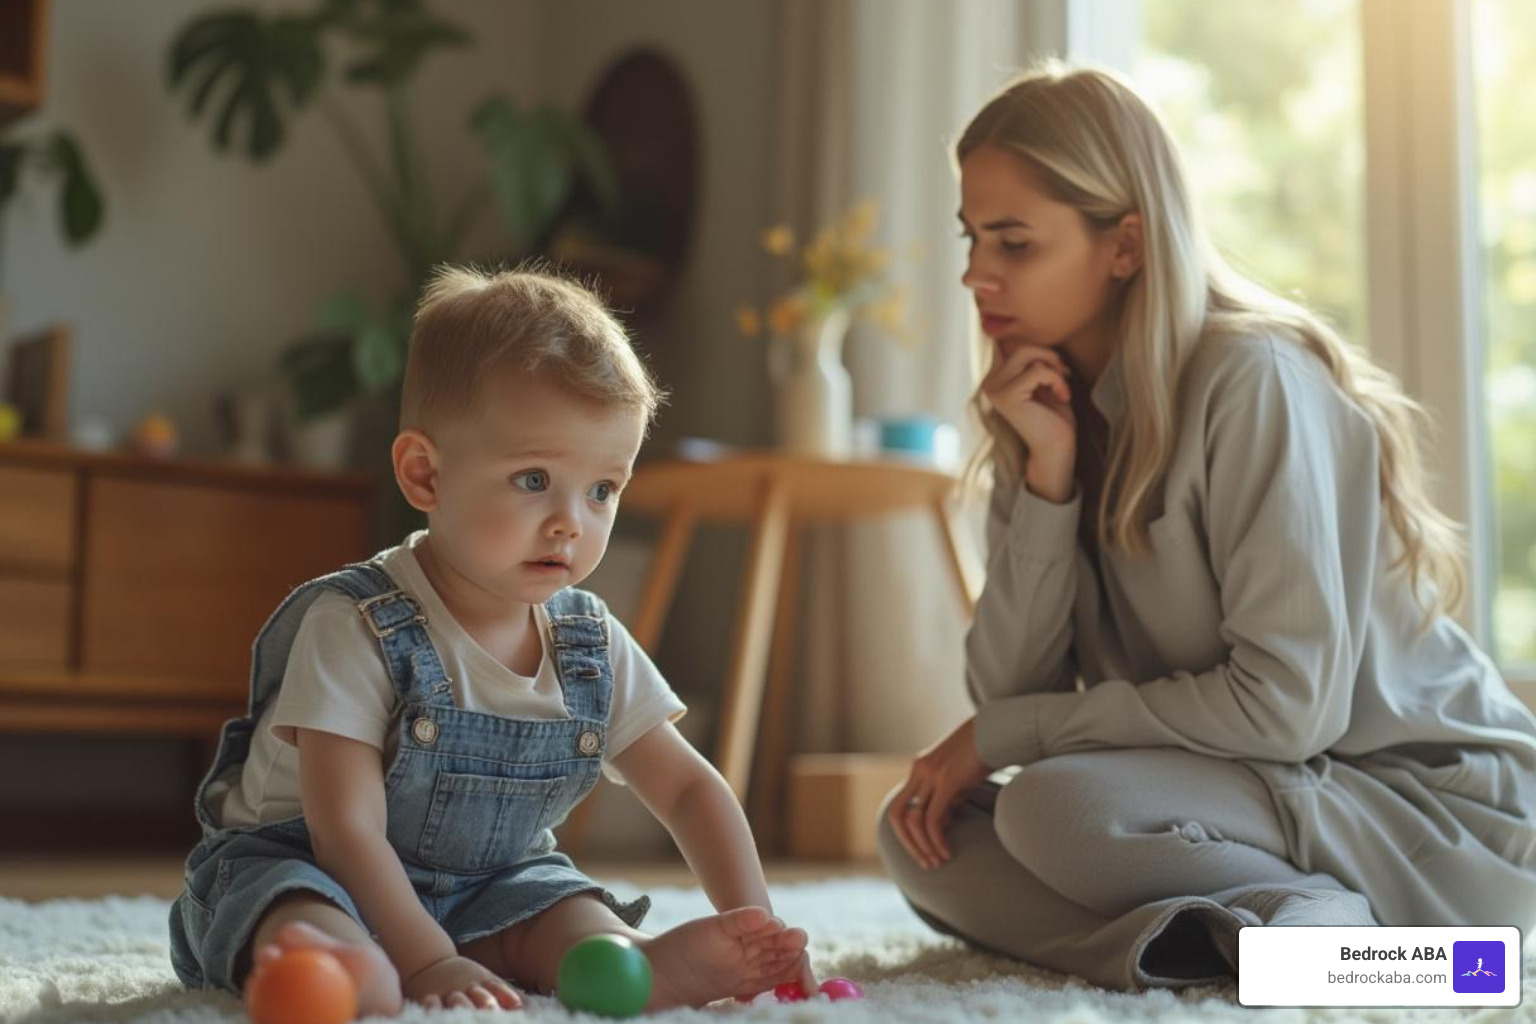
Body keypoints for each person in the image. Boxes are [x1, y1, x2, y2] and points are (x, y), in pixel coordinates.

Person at [878, 63, 1536, 991]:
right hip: (1249, 793)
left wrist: (1008, 732)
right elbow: (1007, 689)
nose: (974, 273)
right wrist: (1051, 482)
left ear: (1126, 244)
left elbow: (1287, 707)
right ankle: (1295, 949)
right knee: (924, 832)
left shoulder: (1252, 380)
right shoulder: (1038, 403)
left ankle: (1421, 955)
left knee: (1053, 813)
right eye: (973, 237)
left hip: (1419, 805)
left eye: (1014, 243)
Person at [170, 267, 816, 1014]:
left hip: (488, 886)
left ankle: (624, 963)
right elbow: (344, 829)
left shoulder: (586, 642)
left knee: (561, 905)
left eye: (603, 488)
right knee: (306, 914)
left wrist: (757, 920)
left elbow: (687, 787)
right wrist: (425, 963)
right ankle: (333, 966)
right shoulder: (356, 626)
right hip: (309, 864)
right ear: (425, 474)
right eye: (534, 479)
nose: (572, 521)